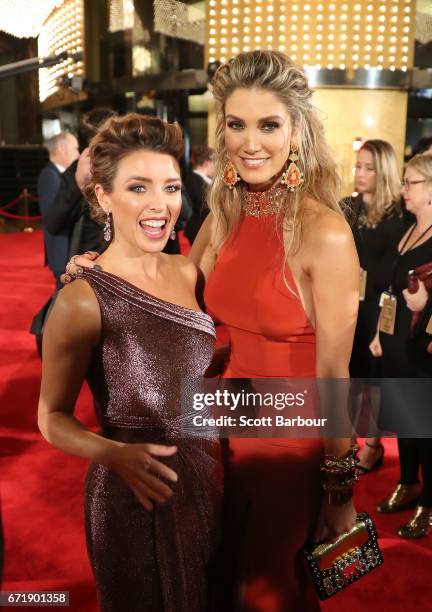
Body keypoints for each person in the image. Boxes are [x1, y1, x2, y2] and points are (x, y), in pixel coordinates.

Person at [63, 51, 360, 611]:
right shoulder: (227, 209)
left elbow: (335, 373)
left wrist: (338, 489)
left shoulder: (327, 232)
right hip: (212, 431)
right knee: (212, 582)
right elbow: (176, 283)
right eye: (236, 123)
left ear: (297, 129)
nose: (252, 142)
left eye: (269, 125)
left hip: (284, 447)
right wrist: (103, 271)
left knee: (260, 591)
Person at [38, 113, 223, 611]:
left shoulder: (188, 272)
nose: (159, 205)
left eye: (169, 187)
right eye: (138, 188)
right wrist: (112, 454)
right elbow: (50, 417)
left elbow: (235, 205)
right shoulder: (81, 299)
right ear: (102, 197)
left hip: (206, 483)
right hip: (132, 497)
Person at [369, 152, 432, 538]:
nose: (402, 189)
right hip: (396, 340)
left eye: (411, 183)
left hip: (422, 344)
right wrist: (378, 331)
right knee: (405, 422)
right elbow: (390, 290)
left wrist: (425, 307)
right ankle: (408, 481)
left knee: (425, 426)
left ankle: (429, 500)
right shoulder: (409, 230)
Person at [342, 139, 405, 472]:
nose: (360, 173)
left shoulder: (398, 216)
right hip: (348, 301)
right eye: (358, 166)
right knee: (348, 373)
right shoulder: (346, 207)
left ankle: (373, 444)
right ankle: (349, 438)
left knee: (375, 378)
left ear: (383, 171)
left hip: (380, 307)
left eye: (368, 167)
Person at [44, 108, 117, 257]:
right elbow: (53, 224)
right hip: (88, 267)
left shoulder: (135, 165)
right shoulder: (76, 170)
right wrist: (78, 182)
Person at [38, 132, 79, 286]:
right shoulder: (50, 175)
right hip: (62, 253)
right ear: (62, 148)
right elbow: (53, 219)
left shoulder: (58, 174)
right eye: (75, 148)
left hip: (68, 251)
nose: (78, 154)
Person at [184, 146, 215, 244]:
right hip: (198, 230)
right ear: (207, 163)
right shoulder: (193, 180)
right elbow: (205, 206)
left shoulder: (204, 180)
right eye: (215, 163)